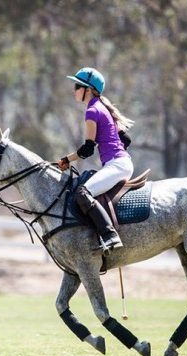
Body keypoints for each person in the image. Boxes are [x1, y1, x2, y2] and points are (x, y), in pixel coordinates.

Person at [57, 67, 134, 252]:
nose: (74, 89)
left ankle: (110, 236)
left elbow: (88, 149)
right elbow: (126, 140)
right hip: (121, 163)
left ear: (88, 90)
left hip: (117, 164)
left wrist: (66, 160)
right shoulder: (104, 107)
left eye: (77, 86)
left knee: (82, 193)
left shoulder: (92, 110)